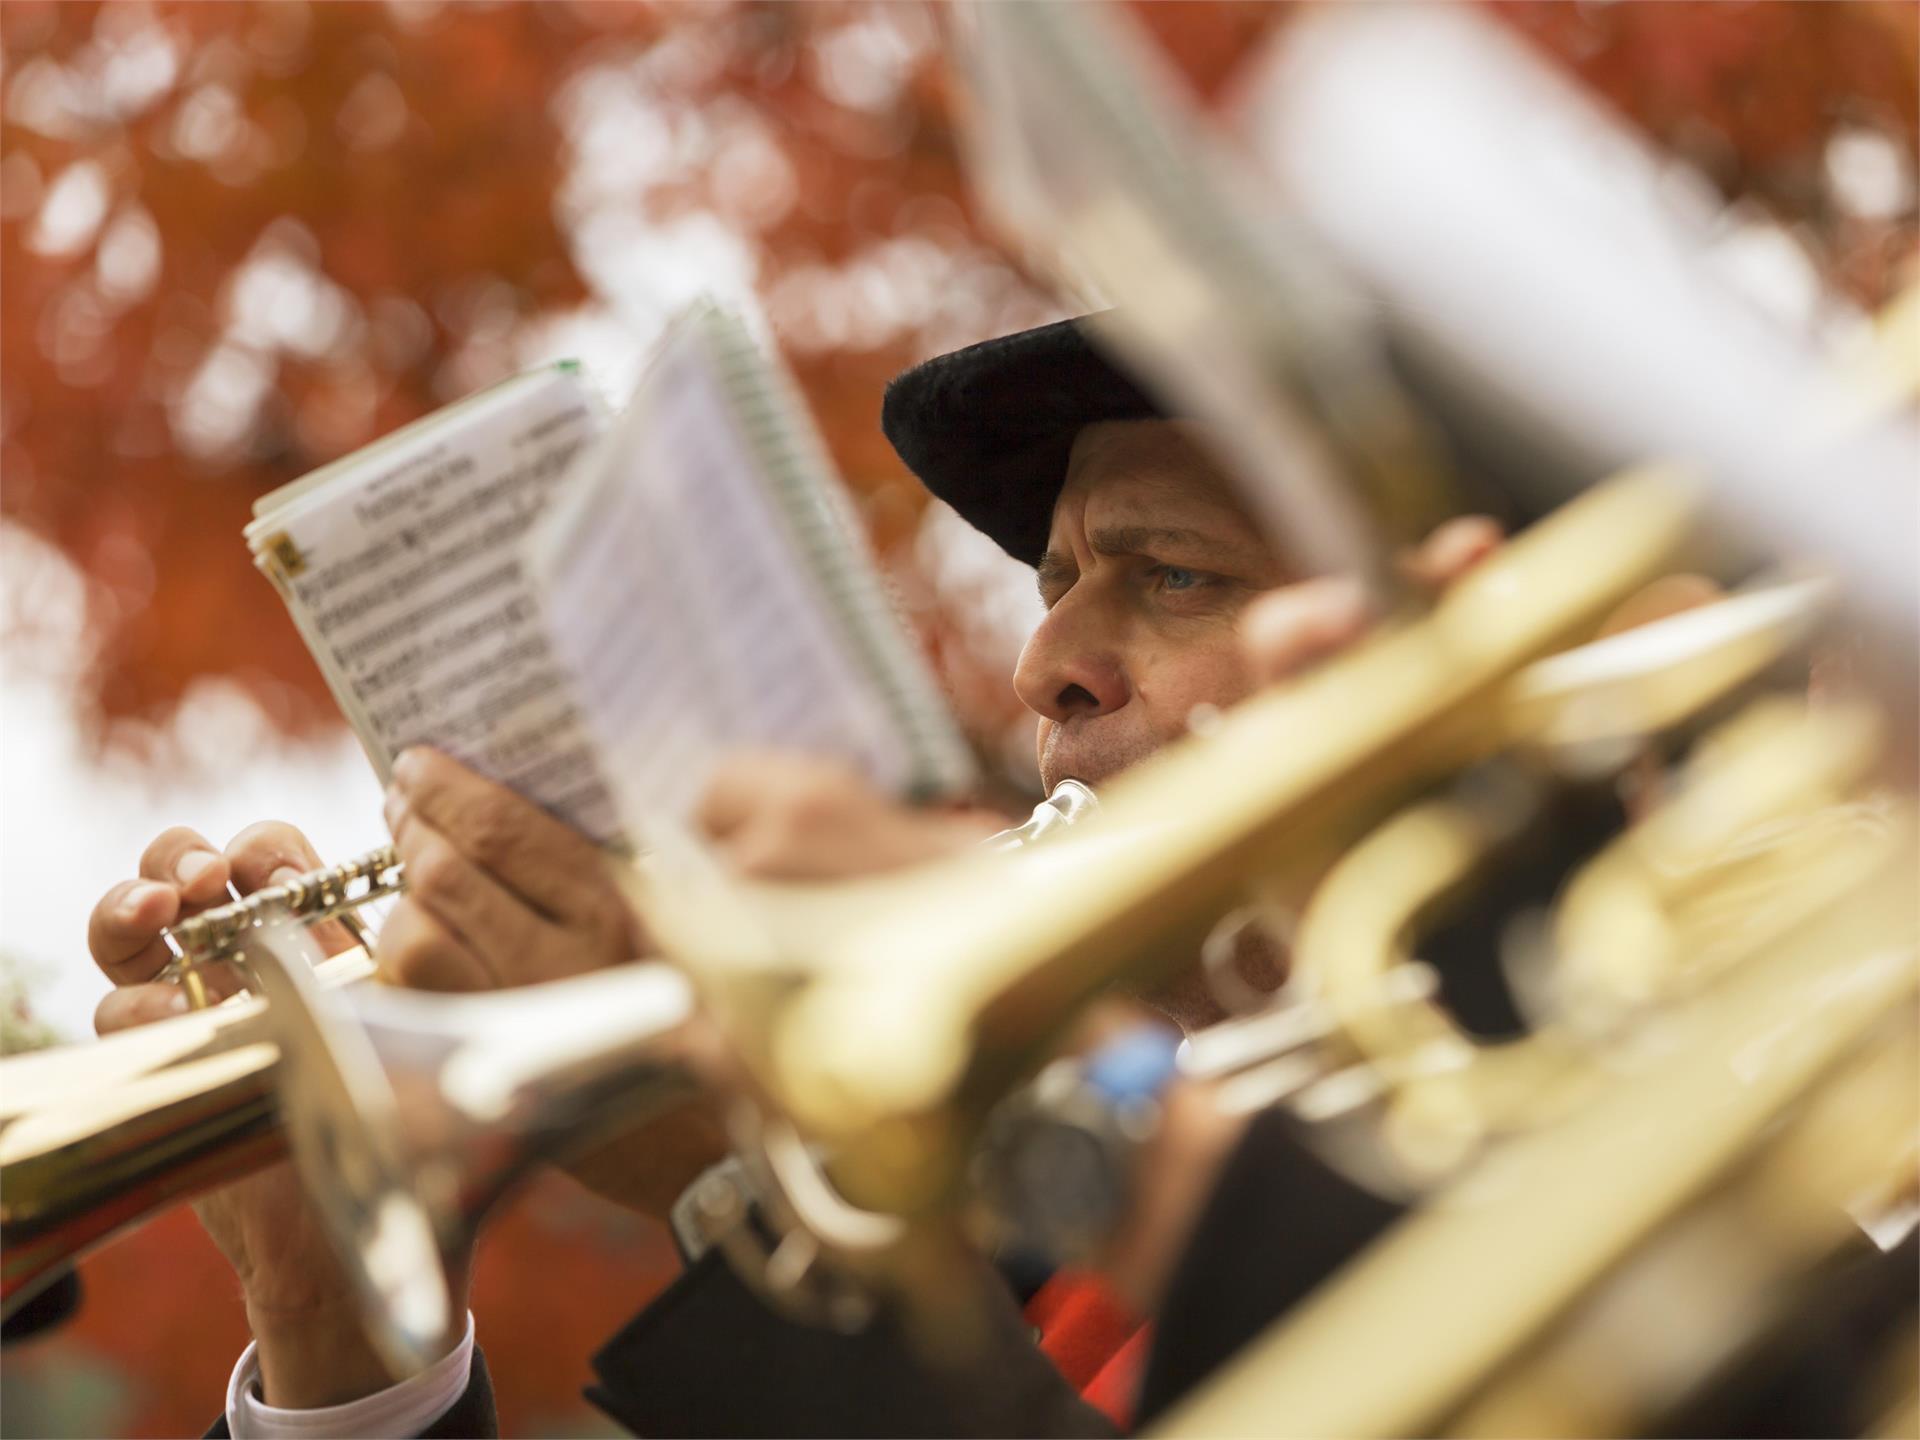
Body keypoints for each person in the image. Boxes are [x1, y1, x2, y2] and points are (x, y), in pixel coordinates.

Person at [85, 316, 1500, 1437]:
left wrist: (726, 1188)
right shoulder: (992, 1236)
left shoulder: (1567, 1114)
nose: (1040, 665)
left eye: (1175, 575)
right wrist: (335, 1345)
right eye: (1053, 579)